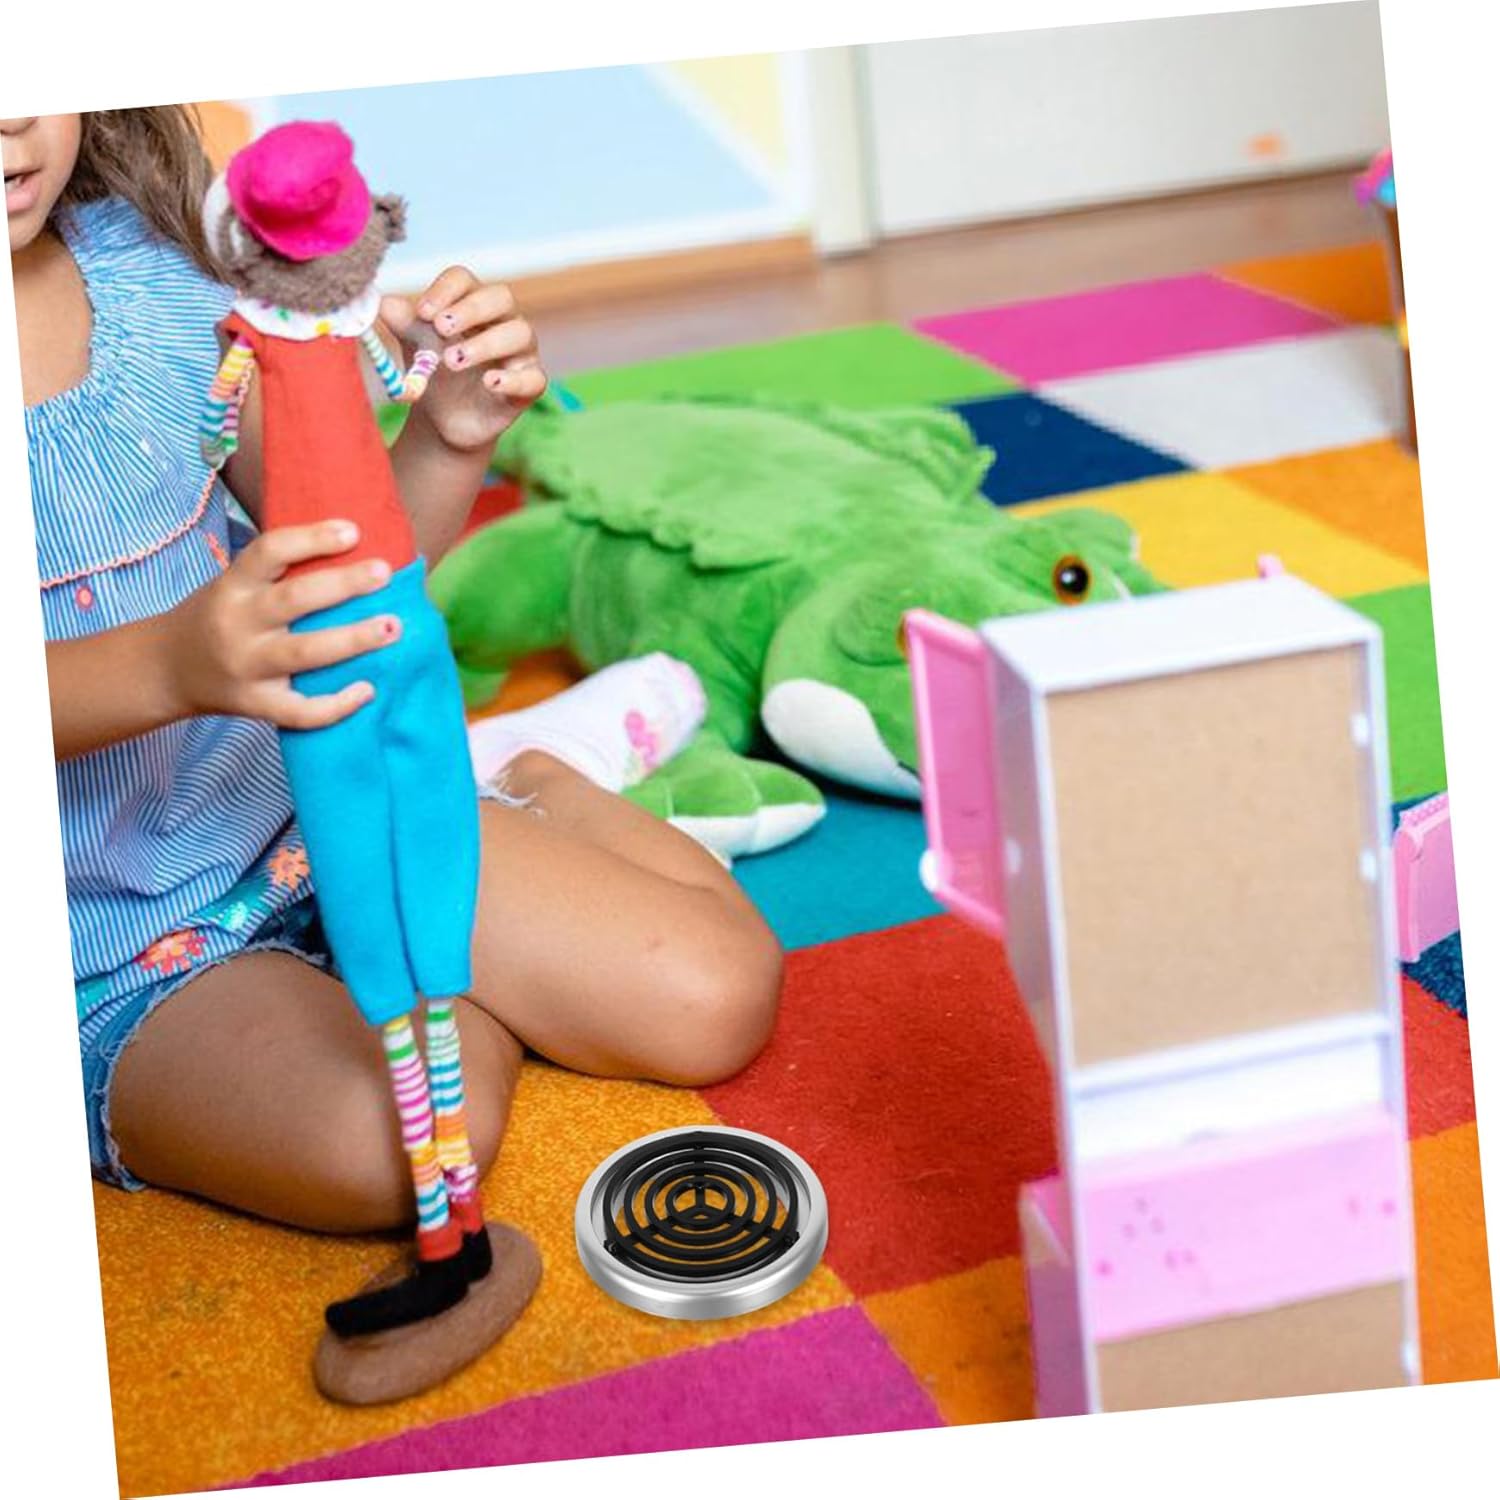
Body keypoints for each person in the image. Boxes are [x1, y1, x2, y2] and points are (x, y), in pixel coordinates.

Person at [10, 109, 782, 1255]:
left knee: (714, 994)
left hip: (320, 810)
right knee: (397, 1145)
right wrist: (170, 665)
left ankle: (527, 774)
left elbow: (352, 587)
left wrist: (449, 437)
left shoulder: (158, 268)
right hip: (108, 954)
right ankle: (424, 959)